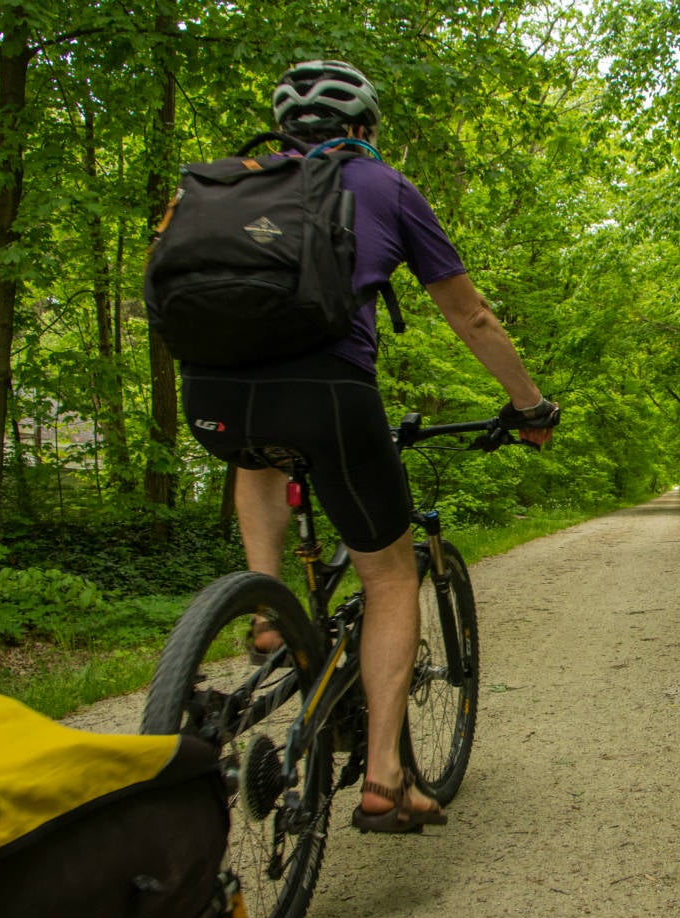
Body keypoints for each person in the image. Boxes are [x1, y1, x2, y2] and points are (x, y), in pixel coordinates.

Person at [179, 59, 558, 833]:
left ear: (285, 129)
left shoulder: (231, 186)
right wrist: (530, 404)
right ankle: (386, 775)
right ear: (364, 130)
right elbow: (471, 315)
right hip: (328, 394)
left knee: (258, 452)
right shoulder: (383, 187)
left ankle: (267, 604)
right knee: (389, 575)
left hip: (212, 396)